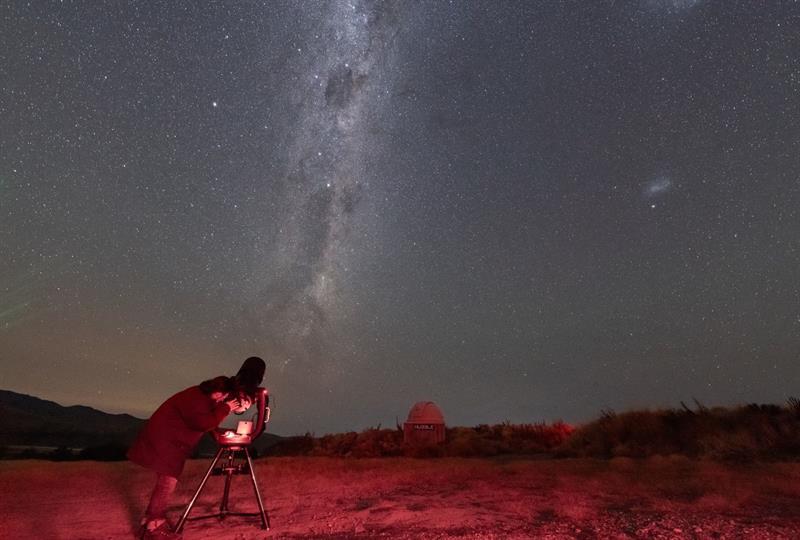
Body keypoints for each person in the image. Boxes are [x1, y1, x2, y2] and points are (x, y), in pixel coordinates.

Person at [128, 357, 266, 539]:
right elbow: (203, 422)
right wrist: (225, 408)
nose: (224, 400)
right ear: (219, 392)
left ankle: (149, 522)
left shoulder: (201, 395)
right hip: (165, 439)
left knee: (167, 480)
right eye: (223, 397)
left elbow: (208, 420)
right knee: (167, 482)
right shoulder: (199, 400)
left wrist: (217, 430)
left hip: (168, 438)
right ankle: (154, 527)